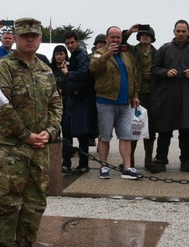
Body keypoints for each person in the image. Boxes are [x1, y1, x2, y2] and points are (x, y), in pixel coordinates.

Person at [0, 18, 63, 247]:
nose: (30, 40)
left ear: (40, 39)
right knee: (7, 202)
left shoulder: (44, 69)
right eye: (24, 35)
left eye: (34, 36)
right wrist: (26, 134)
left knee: (34, 201)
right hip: (8, 147)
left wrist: (49, 132)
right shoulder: (3, 67)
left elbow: (56, 103)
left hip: (38, 147)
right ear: (15, 38)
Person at [150, 20, 189, 173]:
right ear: (173, 31)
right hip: (168, 96)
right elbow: (155, 68)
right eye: (178, 31)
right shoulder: (165, 49)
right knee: (164, 130)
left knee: (187, 130)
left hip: (188, 97)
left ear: (188, 32)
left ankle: (187, 161)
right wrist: (165, 72)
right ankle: (160, 160)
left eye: (184, 31)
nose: (181, 34)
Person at [89, 25, 140, 179]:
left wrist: (135, 95)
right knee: (105, 136)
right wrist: (107, 55)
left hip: (125, 103)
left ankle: (127, 167)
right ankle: (103, 166)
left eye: (118, 37)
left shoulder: (127, 55)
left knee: (125, 136)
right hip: (106, 102)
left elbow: (134, 76)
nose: (116, 40)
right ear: (106, 39)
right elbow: (93, 68)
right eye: (113, 37)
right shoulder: (99, 53)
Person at [61, 32, 96, 173]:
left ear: (77, 42)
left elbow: (84, 73)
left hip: (81, 100)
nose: (70, 45)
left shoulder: (82, 56)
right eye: (67, 43)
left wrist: (67, 73)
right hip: (71, 100)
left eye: (72, 42)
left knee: (82, 134)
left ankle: (83, 164)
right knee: (67, 132)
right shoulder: (73, 57)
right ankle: (67, 163)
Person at [127, 25, 156, 170]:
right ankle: (129, 161)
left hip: (152, 94)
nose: (144, 36)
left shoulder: (157, 52)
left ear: (152, 37)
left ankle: (148, 160)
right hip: (136, 94)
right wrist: (130, 32)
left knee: (151, 130)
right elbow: (121, 44)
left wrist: (154, 75)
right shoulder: (133, 50)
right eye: (142, 34)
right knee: (134, 128)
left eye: (147, 34)